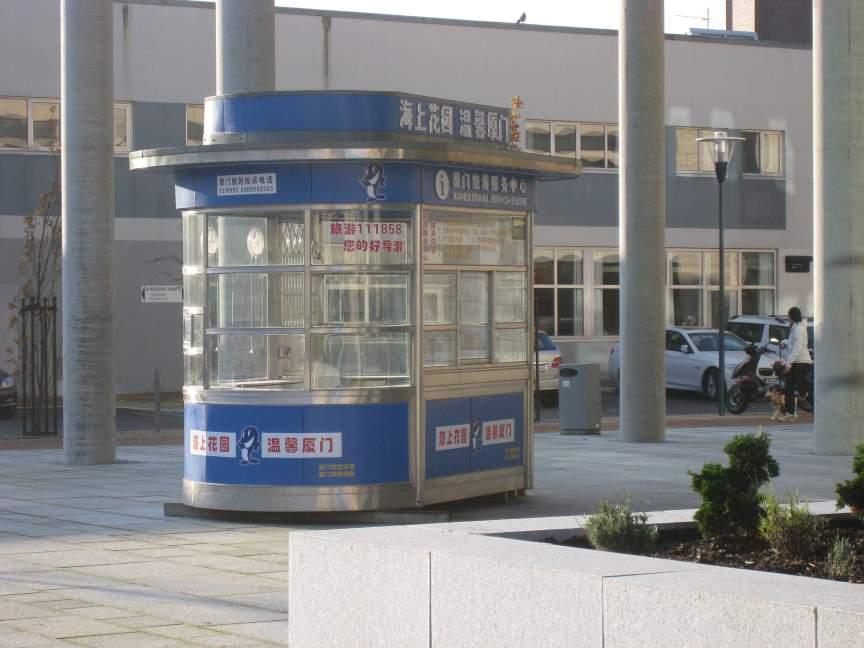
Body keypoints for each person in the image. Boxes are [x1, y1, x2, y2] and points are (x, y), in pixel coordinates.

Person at [780, 306, 811, 421]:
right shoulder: (795, 328)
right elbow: (793, 343)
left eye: (788, 316)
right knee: (789, 388)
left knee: (802, 389)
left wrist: (788, 364)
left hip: (801, 362)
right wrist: (785, 342)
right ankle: (790, 413)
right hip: (796, 362)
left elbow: (797, 347)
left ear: (792, 316)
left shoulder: (799, 329)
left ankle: (815, 407)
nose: (788, 318)